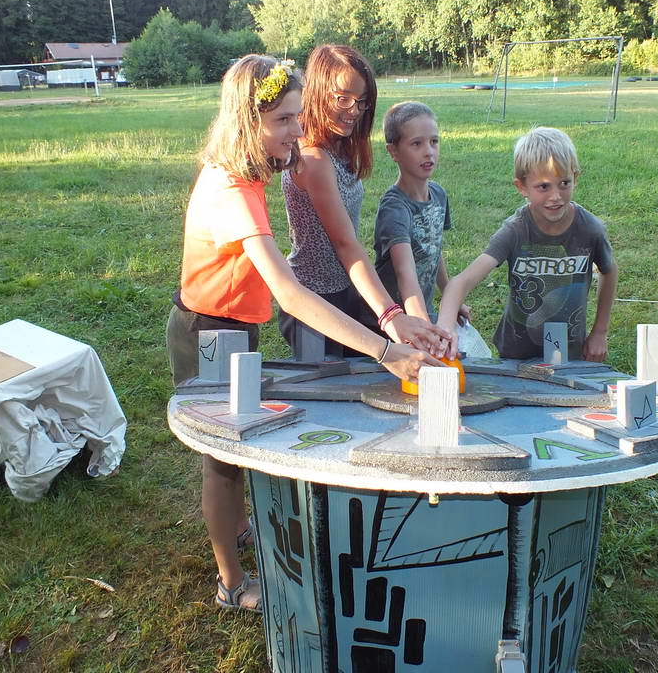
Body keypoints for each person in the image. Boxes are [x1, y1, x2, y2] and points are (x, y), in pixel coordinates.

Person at [167, 55, 442, 613]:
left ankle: (238, 529)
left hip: (233, 327)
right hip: (210, 333)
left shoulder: (245, 173)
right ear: (249, 121)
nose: (298, 130)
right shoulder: (233, 190)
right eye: (284, 120)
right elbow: (291, 294)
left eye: (297, 116)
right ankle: (231, 582)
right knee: (222, 460)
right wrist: (385, 350)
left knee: (234, 452)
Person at [279, 45, 449, 358]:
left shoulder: (339, 148)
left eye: (361, 101)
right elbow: (345, 243)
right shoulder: (314, 159)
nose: (354, 110)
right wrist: (391, 315)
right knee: (329, 385)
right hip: (314, 302)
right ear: (318, 92)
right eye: (343, 98)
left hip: (348, 292)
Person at [437, 127, 618, 362]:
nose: (556, 196)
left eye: (564, 183)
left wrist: (600, 331)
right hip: (517, 352)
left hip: (570, 351)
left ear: (576, 178)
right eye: (544, 186)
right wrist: (445, 327)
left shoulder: (590, 229)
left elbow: (609, 270)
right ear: (521, 187)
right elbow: (461, 281)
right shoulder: (515, 230)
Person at [373, 101, 469, 326]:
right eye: (416, 144)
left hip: (421, 313)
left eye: (434, 141)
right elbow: (404, 273)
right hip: (393, 321)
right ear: (393, 151)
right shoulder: (394, 209)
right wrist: (424, 329)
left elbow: (433, 250)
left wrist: (450, 297)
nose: (428, 152)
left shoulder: (439, 195)